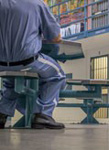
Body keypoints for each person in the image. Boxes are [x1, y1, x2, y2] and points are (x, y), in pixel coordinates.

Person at [0, 0, 66, 129]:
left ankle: (2, 113)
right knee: (57, 75)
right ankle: (43, 115)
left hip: (1, 63)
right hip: (27, 60)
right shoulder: (37, 4)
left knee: (11, 80)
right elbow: (55, 38)